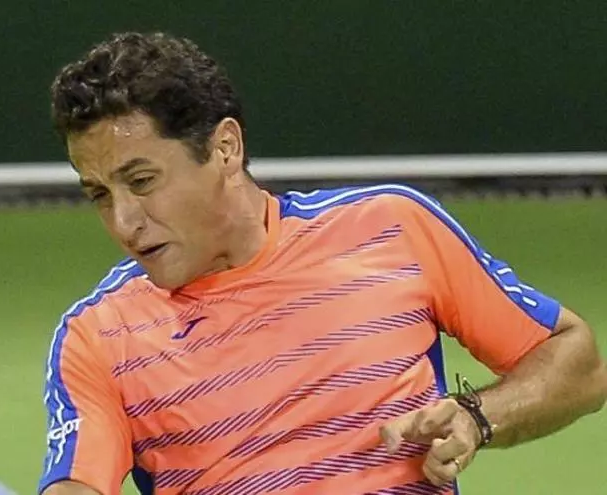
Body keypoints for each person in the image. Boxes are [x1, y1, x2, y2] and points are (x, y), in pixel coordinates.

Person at [36, 31, 607, 495]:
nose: (124, 222)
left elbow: (577, 363)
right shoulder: (97, 336)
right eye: (100, 194)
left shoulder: (390, 228)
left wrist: (477, 416)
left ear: (225, 148)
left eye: (141, 181)